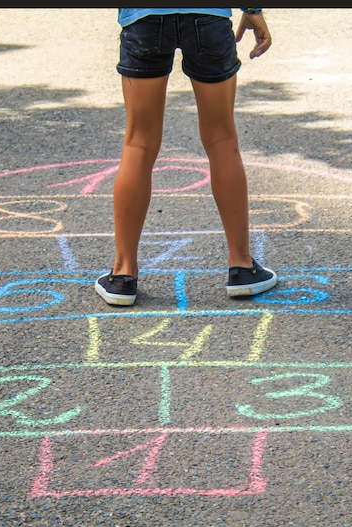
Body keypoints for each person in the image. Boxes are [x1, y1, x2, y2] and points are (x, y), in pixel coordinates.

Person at [95, 8, 278, 306]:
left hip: (144, 17)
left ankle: (123, 274)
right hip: (208, 16)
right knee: (222, 140)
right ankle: (242, 267)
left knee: (138, 143)